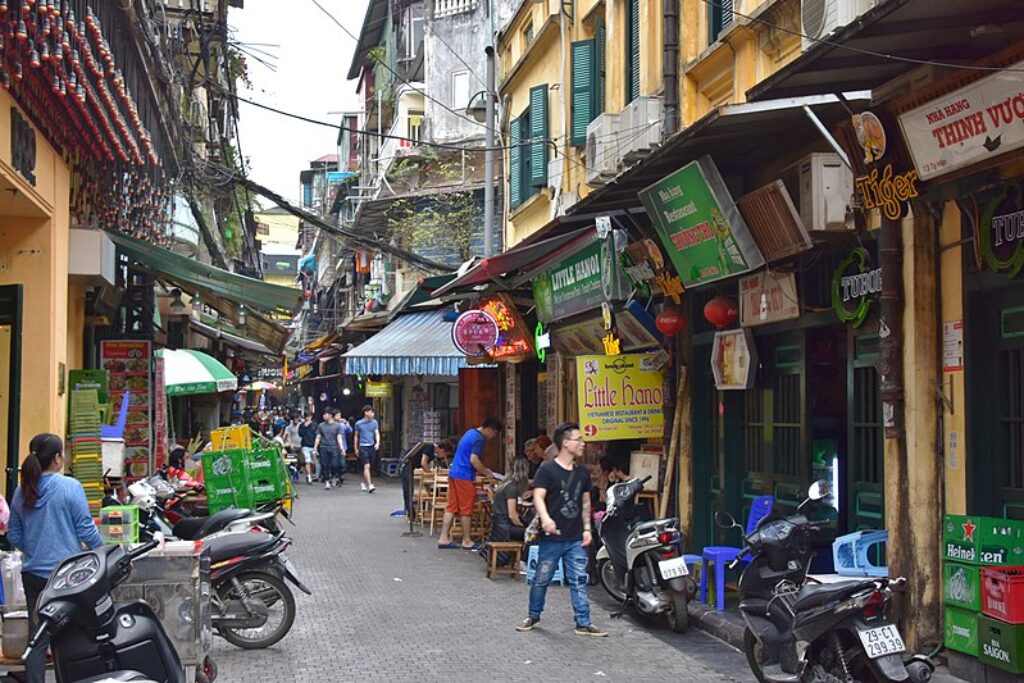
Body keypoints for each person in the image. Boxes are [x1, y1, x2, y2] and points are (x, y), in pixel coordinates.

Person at [8, 434, 104, 683]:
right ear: (58, 458)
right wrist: (102, 552)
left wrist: (36, 548)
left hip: (33, 577)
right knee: (72, 635)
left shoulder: (22, 491)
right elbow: (86, 530)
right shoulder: (70, 487)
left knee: (37, 638)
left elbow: (14, 535)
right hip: (67, 576)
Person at [515, 422, 607, 637]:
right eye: (578, 439)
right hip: (552, 538)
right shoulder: (547, 470)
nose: (582, 443)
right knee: (541, 579)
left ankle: (583, 622)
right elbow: (538, 496)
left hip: (575, 536)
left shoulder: (582, 473)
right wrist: (546, 518)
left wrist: (587, 528)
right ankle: (534, 615)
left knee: (579, 580)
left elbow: (585, 502)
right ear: (566, 443)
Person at [437, 417, 500, 550]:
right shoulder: (479, 439)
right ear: (489, 429)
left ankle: (443, 538)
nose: (493, 437)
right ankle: (467, 540)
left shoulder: (470, 432)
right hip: (464, 476)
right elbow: (473, 459)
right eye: (494, 434)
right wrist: (486, 472)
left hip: (454, 473)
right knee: (466, 509)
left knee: (452, 507)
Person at [487, 457, 530, 566]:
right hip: (505, 527)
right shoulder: (512, 488)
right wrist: (525, 527)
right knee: (533, 534)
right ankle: (523, 561)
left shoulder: (505, 485)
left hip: (498, 526)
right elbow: (512, 515)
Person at [398, 439, 454, 519]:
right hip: (406, 465)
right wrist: (433, 476)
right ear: (442, 449)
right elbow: (423, 463)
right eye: (445, 454)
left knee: (409, 490)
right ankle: (411, 514)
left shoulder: (433, 452)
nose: (444, 456)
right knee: (409, 490)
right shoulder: (430, 447)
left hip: (411, 467)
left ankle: (412, 513)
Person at [314, 409, 345, 490]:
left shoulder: (337, 426)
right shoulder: (321, 425)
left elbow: (339, 437)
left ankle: (334, 476)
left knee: (335, 464)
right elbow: (318, 437)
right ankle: (327, 481)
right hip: (323, 447)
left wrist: (341, 448)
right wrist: (315, 448)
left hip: (334, 447)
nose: (324, 416)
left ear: (331, 415)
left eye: (325, 414)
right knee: (324, 465)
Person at [353, 405, 380, 493]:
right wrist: (356, 448)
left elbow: (376, 433)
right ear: (366, 413)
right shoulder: (358, 424)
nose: (373, 414)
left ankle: (363, 482)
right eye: (371, 412)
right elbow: (356, 436)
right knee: (366, 466)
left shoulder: (374, 422)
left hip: (371, 446)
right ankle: (370, 485)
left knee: (369, 466)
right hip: (363, 446)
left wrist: (377, 443)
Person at [298, 413, 318, 483]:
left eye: (309, 416)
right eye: (306, 417)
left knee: (313, 462)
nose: (307, 418)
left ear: (311, 417)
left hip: (313, 446)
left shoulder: (315, 425)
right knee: (307, 461)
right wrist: (305, 426)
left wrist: (316, 446)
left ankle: (311, 474)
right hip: (305, 445)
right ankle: (309, 476)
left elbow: (317, 436)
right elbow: (300, 434)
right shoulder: (302, 425)